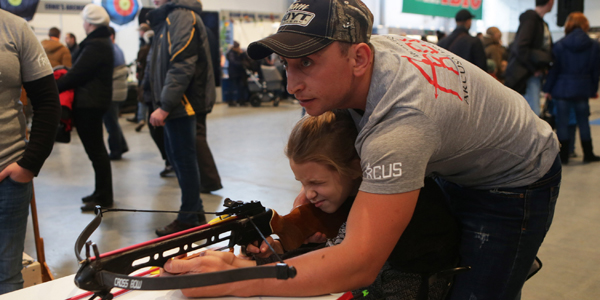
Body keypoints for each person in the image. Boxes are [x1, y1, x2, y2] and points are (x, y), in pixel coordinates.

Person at [163, 1, 561, 299]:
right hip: (455, 157)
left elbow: (359, 263)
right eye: (286, 64)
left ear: (358, 57)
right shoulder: (364, 60)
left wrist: (237, 279)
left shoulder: (399, 126)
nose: (291, 84)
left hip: (516, 177)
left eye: (306, 62)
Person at [193, 110, 460, 299]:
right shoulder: (354, 186)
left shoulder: (378, 197)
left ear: (355, 168)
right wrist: (279, 248)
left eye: (316, 183)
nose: (308, 194)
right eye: (301, 183)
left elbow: (337, 262)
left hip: (413, 283)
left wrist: (242, 269)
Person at [0, 9, 61, 294]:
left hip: (7, 177)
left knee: (7, 277)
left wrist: (29, 163)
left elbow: (48, 101)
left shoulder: (14, 28)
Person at [147, 0, 216, 236]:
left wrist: (165, 105)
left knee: (183, 160)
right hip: (176, 102)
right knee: (179, 158)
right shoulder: (170, 17)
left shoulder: (181, 16)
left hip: (181, 103)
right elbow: (159, 61)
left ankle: (188, 218)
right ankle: (195, 212)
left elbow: (182, 63)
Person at [56, 4, 114, 212]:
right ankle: (100, 192)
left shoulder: (96, 45)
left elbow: (77, 74)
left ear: (89, 23)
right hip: (92, 102)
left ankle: (104, 196)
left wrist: (53, 87)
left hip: (89, 104)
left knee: (96, 152)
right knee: (96, 151)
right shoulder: (99, 42)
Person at [543, 12, 600, 164]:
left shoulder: (560, 45)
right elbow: (596, 70)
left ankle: (564, 157)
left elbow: (554, 70)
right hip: (583, 88)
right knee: (583, 121)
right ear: (585, 25)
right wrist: (594, 89)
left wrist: (547, 89)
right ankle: (588, 154)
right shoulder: (594, 45)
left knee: (562, 122)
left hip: (562, 89)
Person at [505, 0, 554, 116]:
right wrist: (533, 69)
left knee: (531, 115)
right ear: (550, 2)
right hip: (526, 75)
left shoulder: (540, 22)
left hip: (531, 74)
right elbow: (520, 47)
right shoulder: (531, 19)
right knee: (532, 116)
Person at [102, 26, 129, 160]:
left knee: (111, 124)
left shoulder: (110, 50)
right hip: (119, 91)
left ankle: (116, 151)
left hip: (113, 92)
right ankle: (122, 146)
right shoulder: (117, 48)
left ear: (111, 36)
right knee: (113, 122)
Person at [226, 41, 249, 106]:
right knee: (233, 88)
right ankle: (232, 101)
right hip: (234, 73)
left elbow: (245, 58)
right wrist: (241, 64)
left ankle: (241, 100)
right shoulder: (231, 53)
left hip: (239, 73)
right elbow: (233, 62)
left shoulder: (238, 53)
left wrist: (242, 54)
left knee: (241, 87)